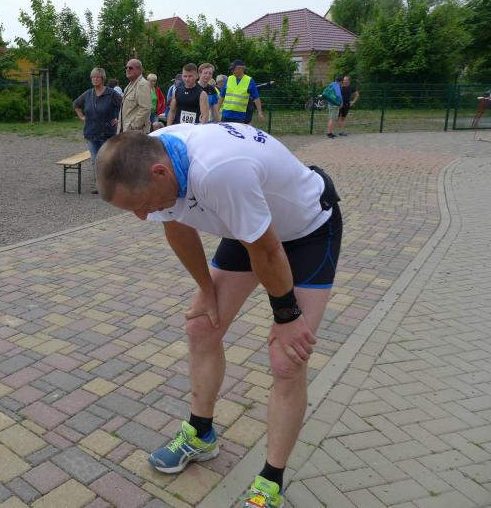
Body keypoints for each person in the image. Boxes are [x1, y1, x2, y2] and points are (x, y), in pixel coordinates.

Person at [95, 124, 342, 508]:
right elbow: (177, 229)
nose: (142, 217)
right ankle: (201, 434)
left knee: (287, 358)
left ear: (159, 173)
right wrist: (206, 290)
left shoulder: (219, 170)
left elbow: (269, 253)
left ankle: (270, 482)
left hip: (308, 230)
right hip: (251, 228)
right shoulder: (156, 154)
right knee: (201, 326)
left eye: (141, 204)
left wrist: (288, 315)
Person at [73, 67, 121, 194]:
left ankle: (112, 185)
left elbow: (123, 105)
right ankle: (101, 186)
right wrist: (82, 117)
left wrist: (118, 118)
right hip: (91, 133)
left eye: (97, 77)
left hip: (107, 133)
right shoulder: (88, 94)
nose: (95, 79)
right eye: (93, 77)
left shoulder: (111, 93)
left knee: (108, 159)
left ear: (103, 79)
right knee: (95, 160)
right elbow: (76, 104)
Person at [217, 60, 264, 124]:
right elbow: (222, 96)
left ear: (241, 69)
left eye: (233, 69)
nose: (232, 71)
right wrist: (216, 111)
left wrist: (260, 112)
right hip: (226, 115)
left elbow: (256, 98)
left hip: (239, 117)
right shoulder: (229, 79)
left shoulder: (249, 80)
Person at [119, 59, 152, 134]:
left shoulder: (142, 85)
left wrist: (134, 126)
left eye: (130, 68)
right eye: (126, 67)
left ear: (139, 70)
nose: (127, 70)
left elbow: (145, 108)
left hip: (135, 132)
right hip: (127, 131)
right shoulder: (129, 86)